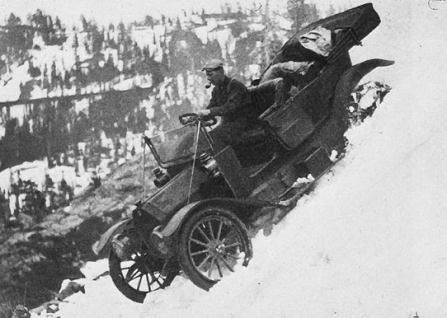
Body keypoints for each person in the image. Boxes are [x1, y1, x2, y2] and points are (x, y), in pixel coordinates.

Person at [197, 59, 253, 148]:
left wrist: (208, 112)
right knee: (207, 137)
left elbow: (229, 107)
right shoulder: (216, 90)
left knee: (217, 137)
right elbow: (211, 107)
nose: (208, 78)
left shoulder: (235, 85)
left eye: (211, 74)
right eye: (207, 75)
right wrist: (197, 117)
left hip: (245, 122)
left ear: (221, 72)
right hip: (230, 124)